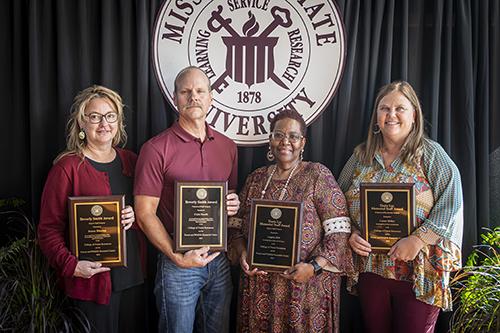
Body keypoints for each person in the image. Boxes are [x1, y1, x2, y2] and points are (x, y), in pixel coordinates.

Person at [338, 81, 463, 333]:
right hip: (371, 269)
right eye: (384, 108)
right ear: (376, 116)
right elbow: (336, 201)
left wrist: (417, 240)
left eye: (400, 108)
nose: (391, 115)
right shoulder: (360, 156)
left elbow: (452, 202)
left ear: (414, 115)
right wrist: (350, 233)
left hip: (419, 271)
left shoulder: (430, 154)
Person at [134, 66, 240, 333]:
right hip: (178, 262)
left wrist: (233, 203)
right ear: (175, 98)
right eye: (186, 91)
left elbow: (229, 200)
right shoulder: (156, 148)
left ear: (211, 97)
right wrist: (176, 255)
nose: (193, 97)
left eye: (200, 91)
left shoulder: (228, 146)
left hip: (219, 260)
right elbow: (144, 213)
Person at [230, 109, 354, 333]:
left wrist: (314, 267)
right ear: (270, 139)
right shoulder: (256, 178)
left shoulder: (317, 175)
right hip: (260, 287)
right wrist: (242, 253)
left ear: (303, 142)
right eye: (278, 135)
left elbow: (340, 229)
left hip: (305, 289)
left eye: (293, 136)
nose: (285, 141)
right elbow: (235, 226)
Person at [38, 85, 146, 333]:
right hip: (91, 282)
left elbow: (151, 210)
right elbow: (48, 229)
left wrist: (136, 216)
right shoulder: (67, 167)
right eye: (94, 117)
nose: (104, 123)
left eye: (110, 116)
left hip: (133, 279)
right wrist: (71, 265)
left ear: (118, 122)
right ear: (82, 124)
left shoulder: (131, 160)